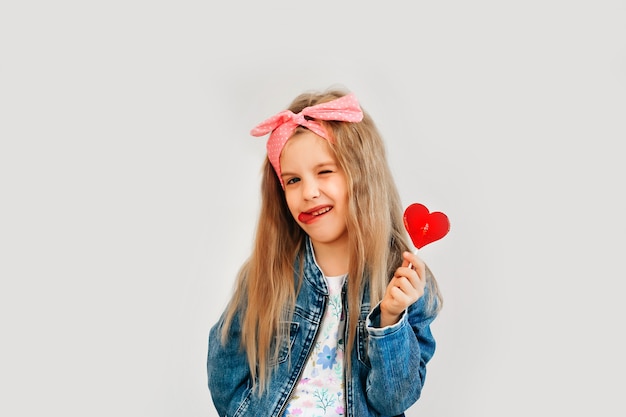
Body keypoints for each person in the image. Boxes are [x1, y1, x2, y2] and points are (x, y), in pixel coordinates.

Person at [207, 88, 443, 417]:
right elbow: (225, 370)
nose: (309, 192)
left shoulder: (403, 284)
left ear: (361, 176)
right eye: (292, 180)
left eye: (324, 171)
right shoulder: (269, 274)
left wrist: (390, 319)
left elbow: (393, 400)